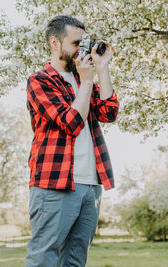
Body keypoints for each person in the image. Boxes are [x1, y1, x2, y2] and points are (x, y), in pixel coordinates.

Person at [25, 15, 119, 267]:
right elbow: (71, 122)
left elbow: (109, 112)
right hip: (54, 183)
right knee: (44, 258)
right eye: (76, 43)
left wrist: (102, 68)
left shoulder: (81, 80)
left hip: (91, 185)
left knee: (75, 261)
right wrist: (87, 80)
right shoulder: (40, 81)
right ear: (55, 43)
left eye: (84, 42)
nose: (82, 49)